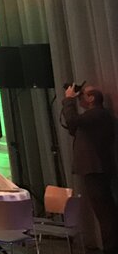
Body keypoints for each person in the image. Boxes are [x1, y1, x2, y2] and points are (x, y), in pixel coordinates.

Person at [62, 83, 118, 253]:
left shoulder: (98, 114)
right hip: (95, 168)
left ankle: (111, 248)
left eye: (83, 95)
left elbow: (72, 120)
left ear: (92, 98)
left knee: (104, 211)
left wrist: (68, 100)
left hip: (96, 169)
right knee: (104, 210)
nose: (80, 98)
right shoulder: (94, 117)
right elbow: (73, 127)